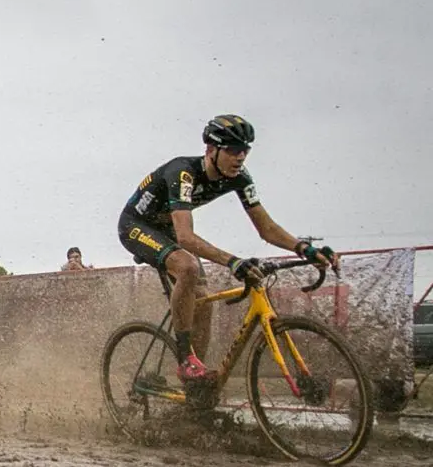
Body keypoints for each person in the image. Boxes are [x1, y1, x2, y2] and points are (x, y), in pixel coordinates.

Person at [118, 114, 339, 390]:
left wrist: (304, 248)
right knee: (187, 267)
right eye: (233, 150)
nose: (240, 157)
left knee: (204, 301)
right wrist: (232, 262)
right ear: (211, 150)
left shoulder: (240, 178)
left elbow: (266, 227)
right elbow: (186, 236)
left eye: (245, 150)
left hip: (169, 230)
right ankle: (186, 358)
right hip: (136, 226)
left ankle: (195, 386)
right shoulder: (183, 172)